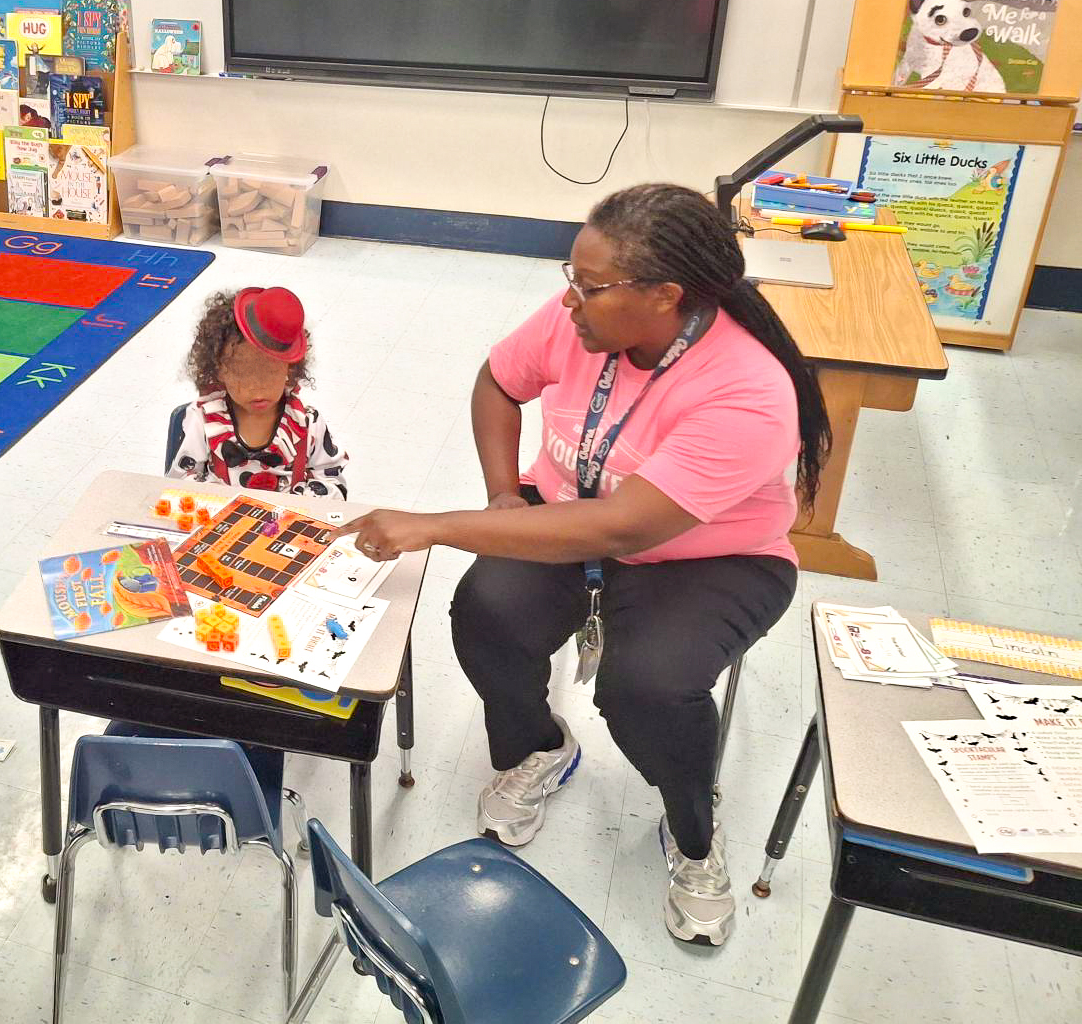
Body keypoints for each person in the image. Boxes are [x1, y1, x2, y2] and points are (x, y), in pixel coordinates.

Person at [338, 183, 830, 948]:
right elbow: (498, 383)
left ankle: (691, 829)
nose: (569, 300)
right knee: (486, 611)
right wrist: (503, 494)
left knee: (649, 686)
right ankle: (539, 746)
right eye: (571, 277)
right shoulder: (588, 320)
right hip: (576, 508)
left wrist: (433, 526)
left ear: (666, 296)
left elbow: (625, 526)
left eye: (589, 286)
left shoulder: (748, 390)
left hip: (708, 554)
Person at [167, 286, 350, 498]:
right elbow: (180, 483)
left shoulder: (308, 423)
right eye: (243, 374)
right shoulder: (203, 420)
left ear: (289, 369)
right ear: (219, 371)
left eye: (270, 372)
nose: (258, 387)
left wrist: (304, 504)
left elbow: (334, 481)